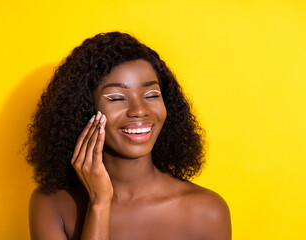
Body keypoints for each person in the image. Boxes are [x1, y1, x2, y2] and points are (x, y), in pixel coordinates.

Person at [26, 32, 231, 240]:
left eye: (152, 95)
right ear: (83, 109)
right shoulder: (52, 205)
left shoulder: (208, 212)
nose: (139, 110)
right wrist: (99, 203)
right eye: (116, 98)